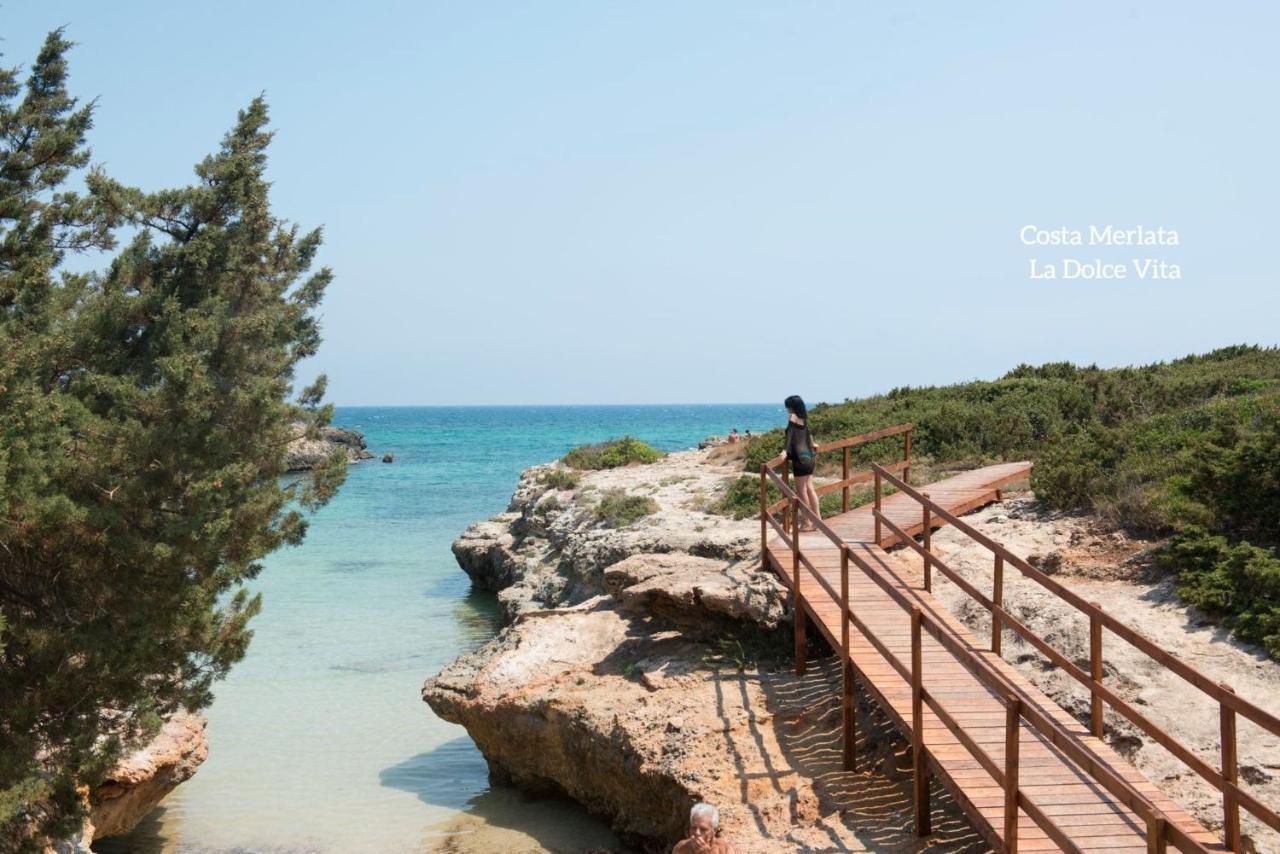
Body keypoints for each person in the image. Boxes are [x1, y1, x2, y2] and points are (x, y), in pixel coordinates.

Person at [770, 395, 820, 532]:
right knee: (810, 489)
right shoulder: (804, 419)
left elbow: (790, 434)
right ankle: (818, 521)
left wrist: (785, 451)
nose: (787, 409)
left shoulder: (793, 417)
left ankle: (806, 522)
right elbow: (807, 435)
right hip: (809, 456)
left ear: (792, 406)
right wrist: (813, 444)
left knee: (802, 491)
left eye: (788, 406)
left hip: (800, 459)